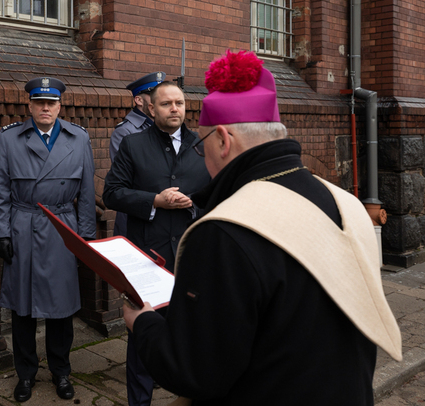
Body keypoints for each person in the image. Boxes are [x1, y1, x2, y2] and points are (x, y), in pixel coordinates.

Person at [123, 50, 401, 405]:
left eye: (202, 145)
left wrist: (144, 324)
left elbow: (195, 372)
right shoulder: (344, 202)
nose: (201, 157)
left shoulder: (224, 232)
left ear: (223, 140)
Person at [103, 80, 210, 406]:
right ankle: (140, 399)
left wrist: (192, 206)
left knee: (193, 332)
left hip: (192, 256)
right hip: (148, 257)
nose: (174, 108)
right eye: (166, 104)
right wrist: (154, 201)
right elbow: (112, 193)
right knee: (142, 334)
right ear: (151, 108)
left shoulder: (203, 145)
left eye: (179, 103)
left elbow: (218, 197)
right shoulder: (133, 145)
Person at [0, 76, 96, 402]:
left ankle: (61, 372)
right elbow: (0, 192)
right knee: (23, 310)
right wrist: (1, 232)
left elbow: (88, 194)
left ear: (60, 105)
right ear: (29, 105)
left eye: (51, 102)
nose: (45, 107)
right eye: (39, 102)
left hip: (63, 229)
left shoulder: (78, 139)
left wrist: (86, 238)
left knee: (61, 310)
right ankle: (26, 374)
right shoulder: (9, 139)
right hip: (23, 227)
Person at [108, 72, 163, 237]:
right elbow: (128, 179)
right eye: (154, 95)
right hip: (136, 215)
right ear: (139, 100)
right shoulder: (125, 131)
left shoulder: (164, 126)